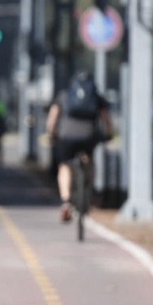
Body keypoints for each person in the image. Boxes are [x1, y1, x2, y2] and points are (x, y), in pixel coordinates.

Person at [46, 72, 113, 222]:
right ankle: (88, 188)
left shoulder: (64, 95)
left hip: (66, 136)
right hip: (89, 135)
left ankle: (66, 201)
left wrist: (52, 133)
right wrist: (109, 134)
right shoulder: (96, 96)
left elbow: (53, 116)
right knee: (89, 159)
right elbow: (106, 117)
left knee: (64, 166)